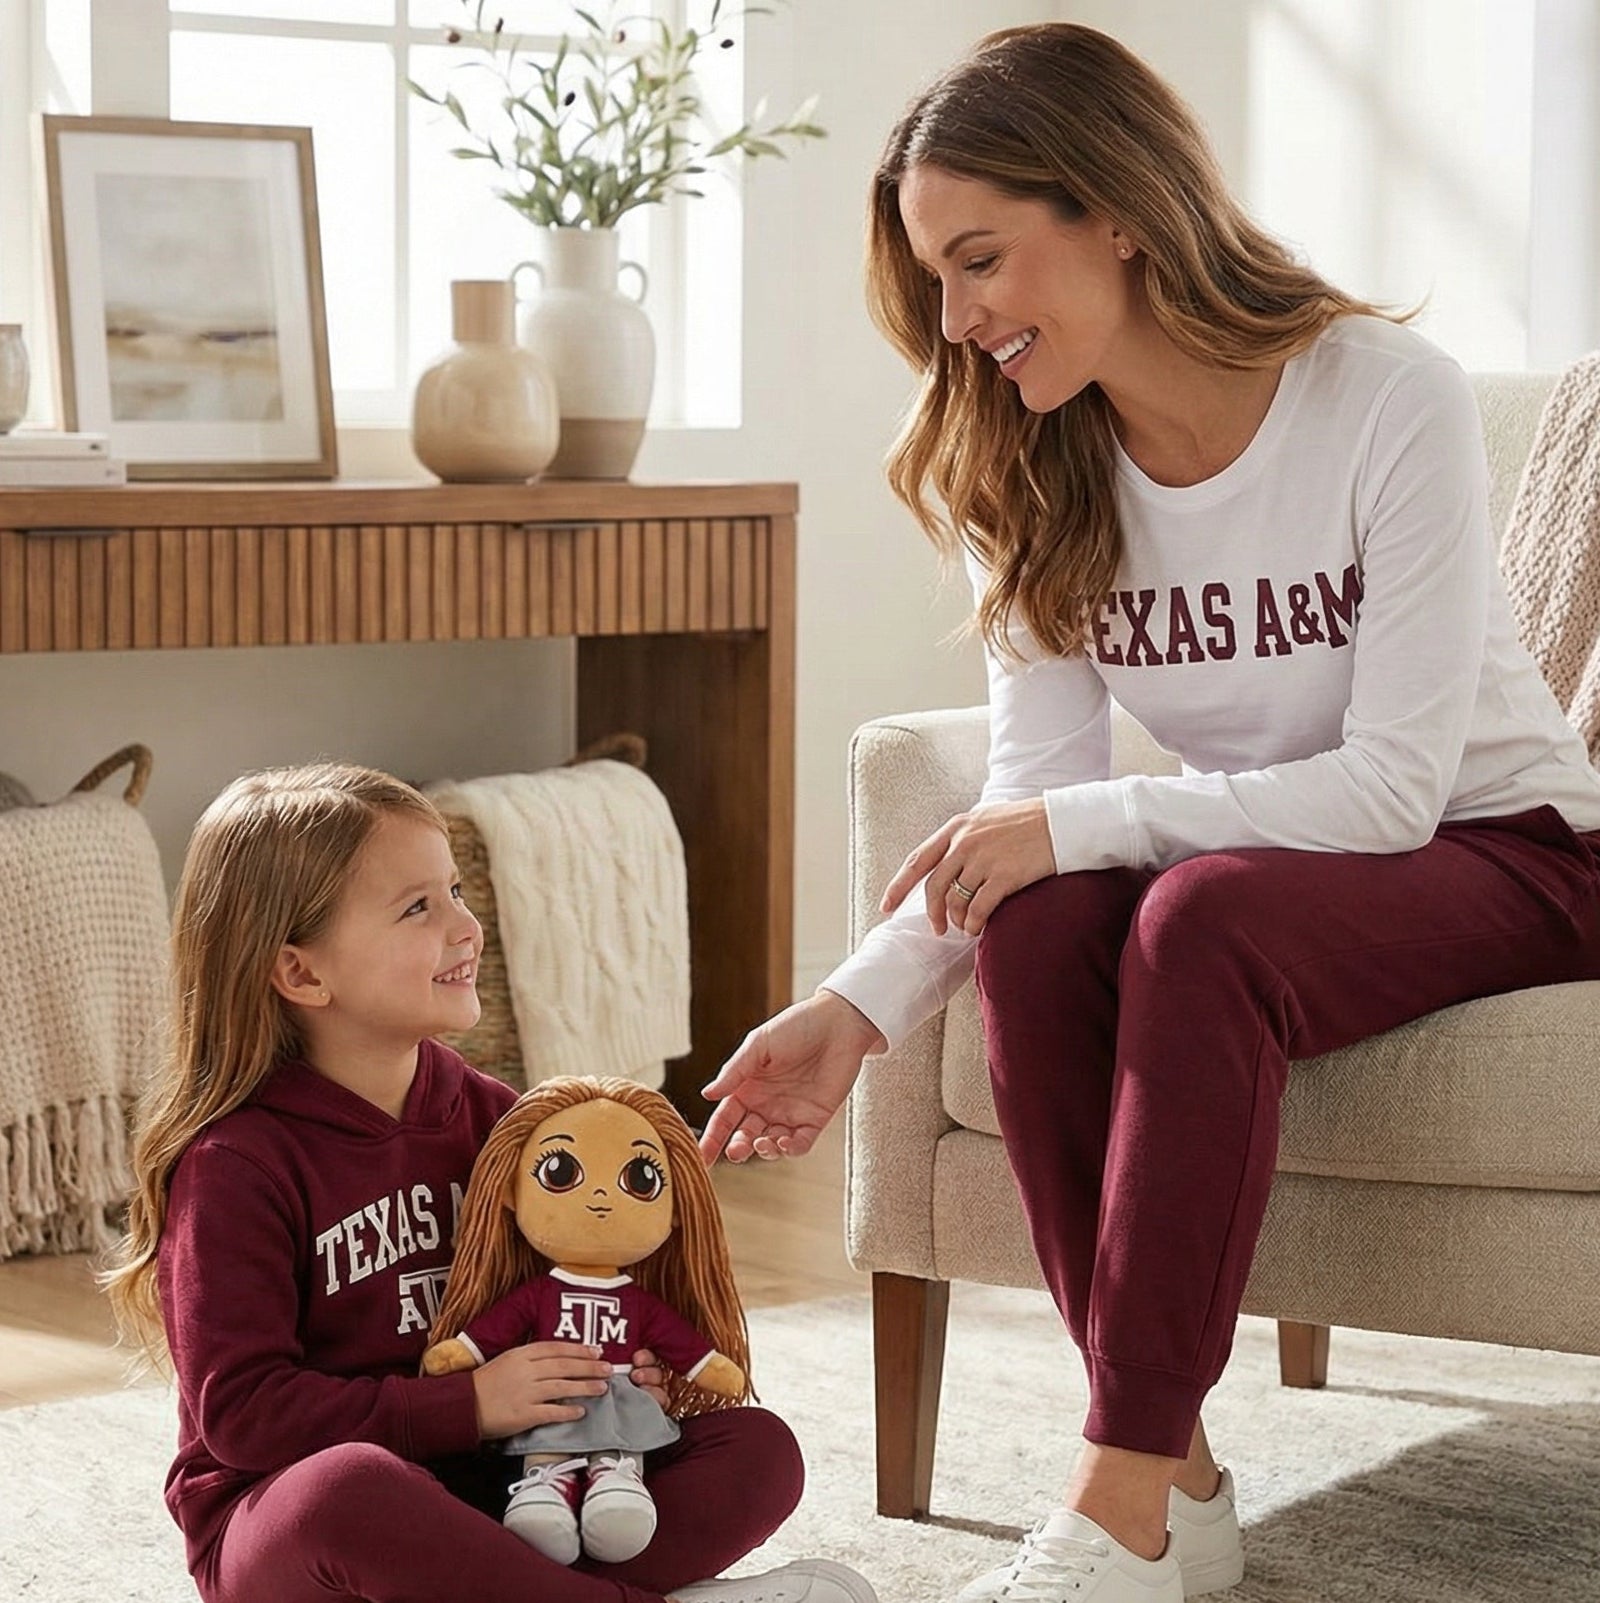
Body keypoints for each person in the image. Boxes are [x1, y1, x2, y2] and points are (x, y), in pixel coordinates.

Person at [700, 22, 1600, 1603]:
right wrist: (853, 1009)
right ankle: (1170, 1478)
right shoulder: (1029, 465)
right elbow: (1026, 809)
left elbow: (1395, 787)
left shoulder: (1382, 395)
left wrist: (1091, 824)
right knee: (1045, 923)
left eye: (981, 259)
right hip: (1279, 866)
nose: (960, 318)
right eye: (935, 282)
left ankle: (1114, 1499)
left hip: (1512, 848)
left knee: (1194, 912)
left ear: (1114, 206)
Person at [101, 762, 877, 1603]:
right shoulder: (236, 1165)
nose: (466, 926)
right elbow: (247, 1417)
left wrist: (616, 1371)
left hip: (509, 1488)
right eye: (417, 907)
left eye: (458, 891)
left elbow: (560, 1292)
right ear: (302, 973)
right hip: (298, 1524)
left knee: (758, 1448)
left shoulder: (499, 1123)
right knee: (347, 1490)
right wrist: (466, 1405)